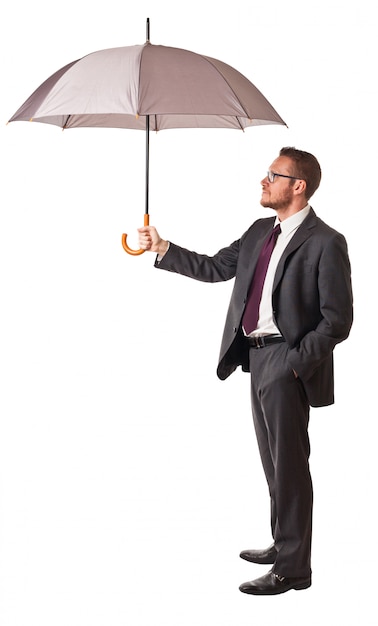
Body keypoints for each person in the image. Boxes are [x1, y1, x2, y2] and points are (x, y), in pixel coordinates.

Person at [137, 147, 353, 595]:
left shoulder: (326, 241)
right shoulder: (259, 232)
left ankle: (294, 570)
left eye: (274, 175)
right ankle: (284, 544)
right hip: (255, 358)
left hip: (287, 359)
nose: (263, 180)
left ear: (299, 186)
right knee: (273, 462)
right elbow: (218, 267)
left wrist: (295, 364)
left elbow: (338, 320)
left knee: (291, 466)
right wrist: (163, 248)